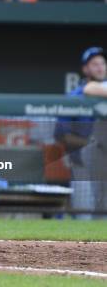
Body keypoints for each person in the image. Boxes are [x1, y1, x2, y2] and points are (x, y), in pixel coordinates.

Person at [55, 47, 106, 219]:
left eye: (102, 63)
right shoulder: (74, 97)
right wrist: (90, 145)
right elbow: (61, 135)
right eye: (94, 64)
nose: (100, 67)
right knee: (85, 218)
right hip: (82, 166)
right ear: (85, 69)